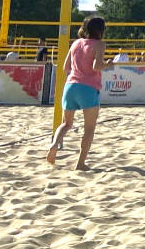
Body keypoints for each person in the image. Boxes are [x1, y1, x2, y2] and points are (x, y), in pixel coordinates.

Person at [46, 17, 114, 170]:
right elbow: (97, 66)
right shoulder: (100, 44)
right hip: (88, 88)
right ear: (101, 30)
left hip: (71, 86)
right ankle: (80, 163)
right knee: (89, 128)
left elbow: (65, 67)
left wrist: (79, 71)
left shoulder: (76, 43)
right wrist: (108, 65)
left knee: (66, 124)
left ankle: (54, 144)